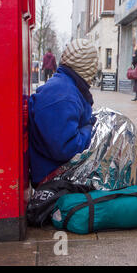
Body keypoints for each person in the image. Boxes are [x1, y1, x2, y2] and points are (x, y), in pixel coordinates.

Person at [28, 39, 99, 187]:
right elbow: (65, 148)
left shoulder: (67, 86)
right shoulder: (63, 96)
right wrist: (91, 130)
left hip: (55, 168)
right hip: (52, 175)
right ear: (87, 66)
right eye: (94, 64)